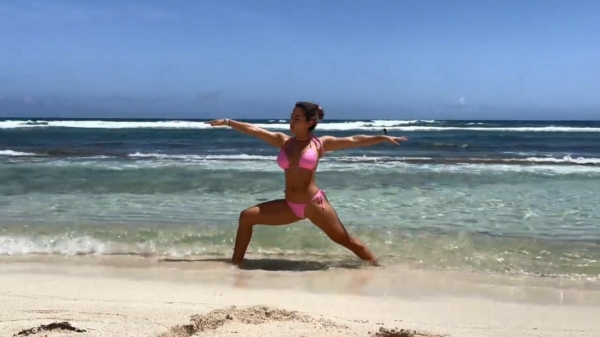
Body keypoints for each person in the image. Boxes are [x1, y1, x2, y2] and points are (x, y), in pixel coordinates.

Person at [206, 101, 408, 266]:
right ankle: (235, 265)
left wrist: (381, 137)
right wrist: (228, 122)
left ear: (310, 122)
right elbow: (255, 131)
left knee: (346, 241)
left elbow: (354, 139)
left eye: (297, 118)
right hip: (290, 206)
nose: (291, 121)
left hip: (314, 204)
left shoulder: (320, 144)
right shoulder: (284, 141)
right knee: (246, 217)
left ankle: (378, 266)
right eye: (291, 117)